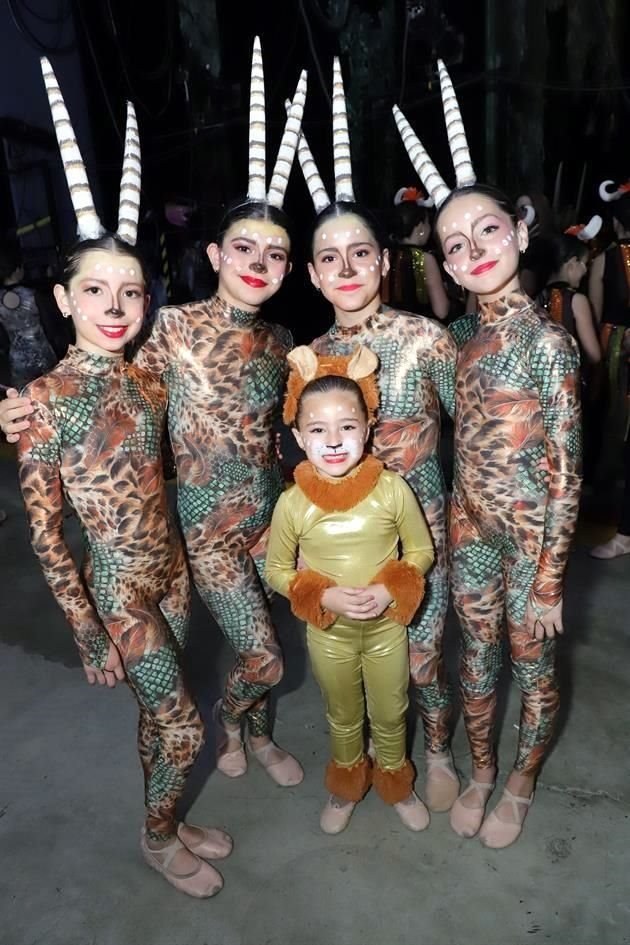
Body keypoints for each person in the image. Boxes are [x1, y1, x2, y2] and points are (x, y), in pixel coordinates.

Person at [0, 39, 307, 787]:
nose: (258, 263)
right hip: (196, 535)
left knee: (269, 641)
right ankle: (231, 722)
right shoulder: (170, 329)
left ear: (288, 267)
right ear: (215, 252)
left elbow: (293, 426)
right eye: (244, 247)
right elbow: (104, 392)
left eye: (275, 253)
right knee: (260, 649)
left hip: (268, 518)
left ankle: (255, 729)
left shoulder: (283, 339)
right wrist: (21, 412)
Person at [14, 58, 231, 898]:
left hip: (171, 570)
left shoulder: (145, 373)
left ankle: (169, 817)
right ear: (63, 299)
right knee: (184, 727)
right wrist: (87, 630)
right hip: (118, 588)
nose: (114, 305)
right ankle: (155, 835)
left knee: (161, 709)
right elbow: (44, 532)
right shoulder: (47, 400)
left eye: (130, 291)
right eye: (94, 290)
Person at [394, 60, 582, 848]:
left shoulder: (549, 342)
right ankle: (478, 768)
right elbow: (399, 382)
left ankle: (522, 780)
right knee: (475, 659)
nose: (472, 249)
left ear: (522, 229)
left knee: (529, 661)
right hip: (469, 529)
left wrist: (549, 576)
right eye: (454, 241)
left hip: (535, 538)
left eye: (488, 231)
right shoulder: (458, 339)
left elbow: (569, 469)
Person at [291, 58, 461, 813]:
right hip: (341, 545)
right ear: (316, 275)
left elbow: (478, 426)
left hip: (421, 535)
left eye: (361, 251)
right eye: (331, 257)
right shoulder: (310, 360)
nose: (348, 265)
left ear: (385, 261)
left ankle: (432, 754)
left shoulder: (428, 339)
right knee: (352, 671)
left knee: (422, 662)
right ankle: (352, 766)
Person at [266, 345, 434, 834]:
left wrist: (391, 588)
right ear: (298, 435)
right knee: (342, 715)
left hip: (387, 632)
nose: (334, 441)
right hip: (329, 636)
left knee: (391, 711)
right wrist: (321, 595)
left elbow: (420, 552)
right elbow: (277, 570)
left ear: (368, 428)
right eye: (317, 430)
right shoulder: (293, 504)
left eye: (347, 426)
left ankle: (396, 783)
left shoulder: (392, 490)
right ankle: (346, 787)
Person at [587, 183, 630, 558]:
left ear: (616, 223)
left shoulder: (605, 259)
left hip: (615, 345)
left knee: (615, 425)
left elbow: (598, 311)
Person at [381, 188, 449, 320]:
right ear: (420, 227)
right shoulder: (425, 259)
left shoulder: (384, 256)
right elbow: (442, 311)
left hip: (386, 331)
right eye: (428, 223)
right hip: (418, 333)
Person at [537, 231, 601, 367]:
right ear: (572, 263)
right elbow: (594, 355)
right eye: (585, 263)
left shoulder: (535, 297)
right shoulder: (577, 300)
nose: (586, 271)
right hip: (568, 380)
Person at [0, 243, 57, 388]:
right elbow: (49, 324)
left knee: (25, 400)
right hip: (43, 353)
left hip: (18, 358)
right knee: (54, 395)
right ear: (17, 270)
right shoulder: (33, 294)